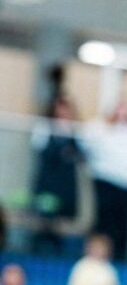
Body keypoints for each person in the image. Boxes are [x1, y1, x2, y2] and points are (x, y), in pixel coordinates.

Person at [84, 100, 127, 260]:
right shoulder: (101, 128)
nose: (122, 115)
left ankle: (120, 256)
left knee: (123, 224)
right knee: (104, 221)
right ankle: (97, 255)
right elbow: (87, 137)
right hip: (106, 180)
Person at [30, 95, 85, 255]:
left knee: (62, 220)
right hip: (48, 181)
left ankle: (58, 251)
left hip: (65, 184)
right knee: (45, 219)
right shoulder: (45, 128)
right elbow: (41, 151)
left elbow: (81, 156)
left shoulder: (75, 131)